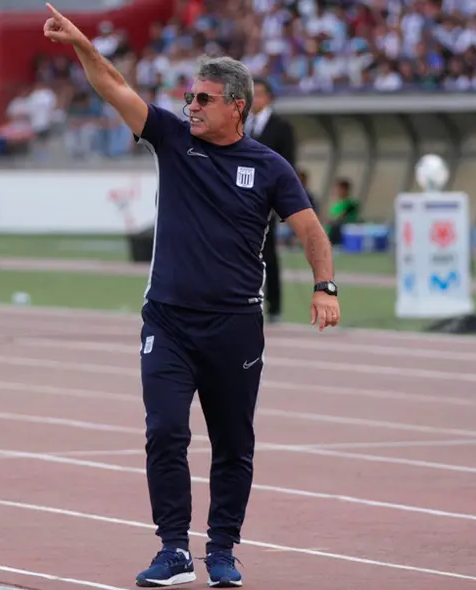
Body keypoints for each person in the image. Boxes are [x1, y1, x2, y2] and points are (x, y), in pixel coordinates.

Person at [43, 4, 340, 588]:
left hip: (234, 327)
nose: (191, 107)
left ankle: (223, 549)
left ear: (237, 106)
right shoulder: (173, 140)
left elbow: (310, 231)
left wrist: (324, 286)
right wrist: (82, 44)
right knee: (165, 432)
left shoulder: (270, 166)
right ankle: (174, 550)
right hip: (169, 323)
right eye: (190, 96)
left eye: (204, 99)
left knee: (233, 445)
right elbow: (114, 87)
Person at [246, 78, 296, 324]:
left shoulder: (281, 127)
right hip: (243, 198)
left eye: (260, 94)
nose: (256, 99)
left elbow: (287, 167)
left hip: (267, 199)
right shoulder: (244, 126)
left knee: (268, 253)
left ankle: (274, 305)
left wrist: (281, 201)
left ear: (270, 98)